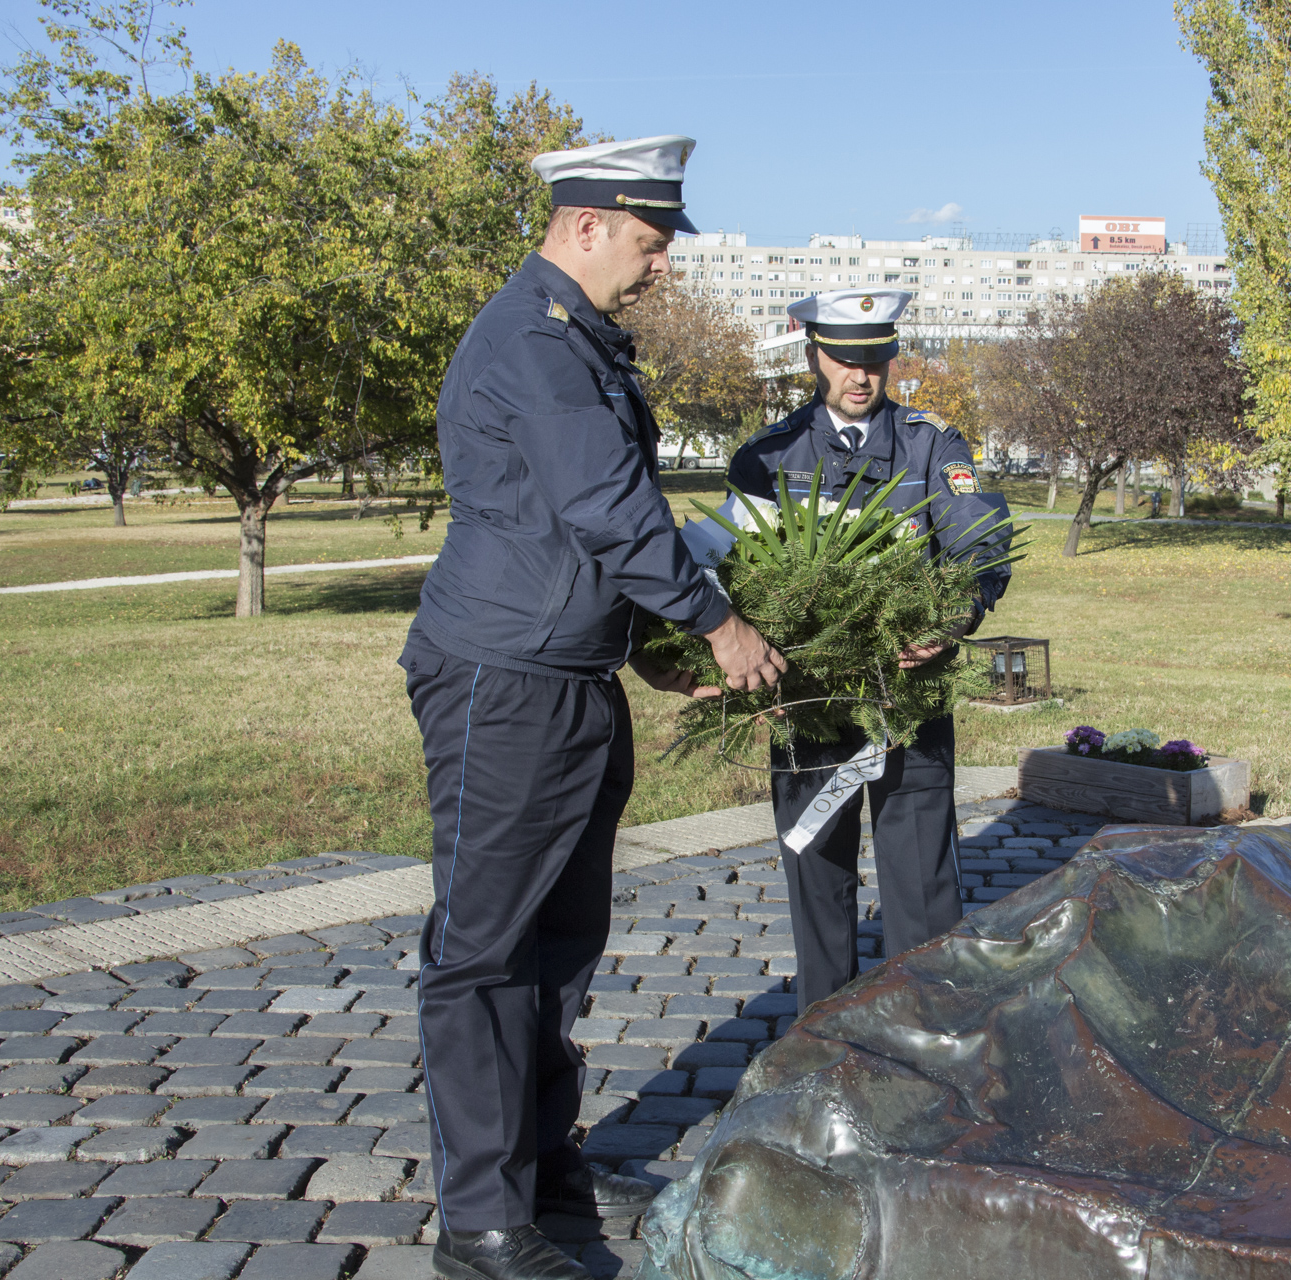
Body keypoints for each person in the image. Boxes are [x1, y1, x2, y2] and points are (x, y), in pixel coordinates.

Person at [401, 135, 785, 1280]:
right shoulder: (535, 338)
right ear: (584, 226)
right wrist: (715, 622)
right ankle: (480, 1220)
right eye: (650, 242)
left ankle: (542, 1164)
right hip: (505, 680)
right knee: (483, 949)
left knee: (561, 944)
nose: (660, 266)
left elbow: (575, 526)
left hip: (566, 675)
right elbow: (610, 506)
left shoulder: (577, 340)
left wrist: (644, 646)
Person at [726, 288, 1012, 1014]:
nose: (860, 375)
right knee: (816, 879)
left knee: (922, 888)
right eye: (844, 359)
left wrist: (953, 618)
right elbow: (733, 573)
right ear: (814, 357)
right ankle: (823, 1036)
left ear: (891, 358)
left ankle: (926, 1032)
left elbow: (977, 543)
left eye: (875, 359)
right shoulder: (768, 457)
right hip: (809, 698)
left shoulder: (931, 445)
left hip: (906, 699)